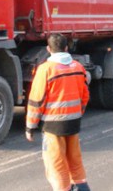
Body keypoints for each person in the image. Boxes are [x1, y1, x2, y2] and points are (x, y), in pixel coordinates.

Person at [26, 33, 91, 191]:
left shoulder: (45, 70)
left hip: (53, 127)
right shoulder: (78, 67)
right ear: (66, 48)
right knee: (75, 162)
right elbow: (85, 95)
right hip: (73, 124)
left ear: (48, 49)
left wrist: (30, 127)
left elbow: (36, 100)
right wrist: (77, 112)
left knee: (56, 165)